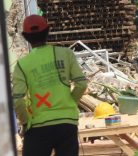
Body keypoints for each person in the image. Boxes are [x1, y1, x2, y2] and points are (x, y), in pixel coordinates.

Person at [12, 15, 88, 156]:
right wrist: (71, 102)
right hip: (67, 124)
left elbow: (17, 100)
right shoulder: (66, 54)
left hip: (37, 127)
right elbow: (81, 84)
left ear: (25, 36)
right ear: (47, 31)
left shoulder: (22, 65)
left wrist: (25, 122)